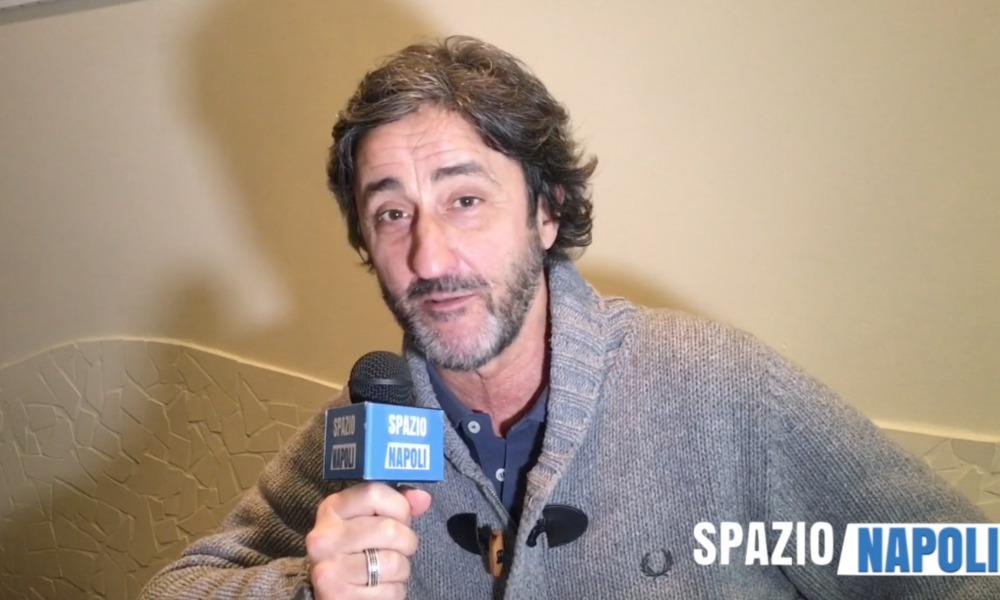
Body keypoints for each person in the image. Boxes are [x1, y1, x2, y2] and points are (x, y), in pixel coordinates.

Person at [139, 36, 997, 600]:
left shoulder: (718, 390)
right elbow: (175, 586)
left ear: (546, 211)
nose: (429, 257)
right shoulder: (366, 433)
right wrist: (303, 588)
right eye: (391, 213)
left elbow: (957, 565)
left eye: (465, 199)